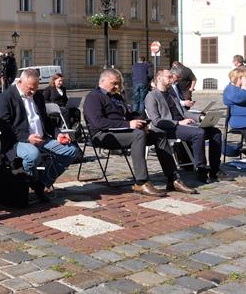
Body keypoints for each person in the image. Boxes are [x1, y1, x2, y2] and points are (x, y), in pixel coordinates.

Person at [83, 68, 198, 197]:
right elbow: (98, 122)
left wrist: (140, 122)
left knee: (159, 134)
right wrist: (128, 124)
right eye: (114, 83)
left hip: (123, 132)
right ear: (103, 81)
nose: (116, 86)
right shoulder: (93, 97)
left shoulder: (116, 97)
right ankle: (141, 182)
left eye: (118, 84)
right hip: (103, 135)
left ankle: (173, 179)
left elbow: (128, 116)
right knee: (138, 135)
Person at [0, 68, 79, 202]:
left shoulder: (37, 95)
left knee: (71, 151)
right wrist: (27, 137)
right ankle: (28, 183)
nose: (33, 91)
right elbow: (5, 127)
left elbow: (46, 120)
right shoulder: (5, 97)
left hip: (42, 138)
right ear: (20, 82)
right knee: (33, 154)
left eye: (35, 88)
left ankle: (41, 183)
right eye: (30, 88)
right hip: (17, 141)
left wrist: (58, 134)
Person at [145, 69, 228, 183]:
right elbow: (156, 121)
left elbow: (184, 113)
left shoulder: (171, 94)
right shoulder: (152, 96)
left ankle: (215, 169)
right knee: (199, 133)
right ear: (159, 78)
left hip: (184, 124)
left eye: (171, 77)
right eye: (169, 77)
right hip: (168, 128)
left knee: (215, 132)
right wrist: (178, 123)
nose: (172, 79)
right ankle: (201, 168)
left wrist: (200, 117)